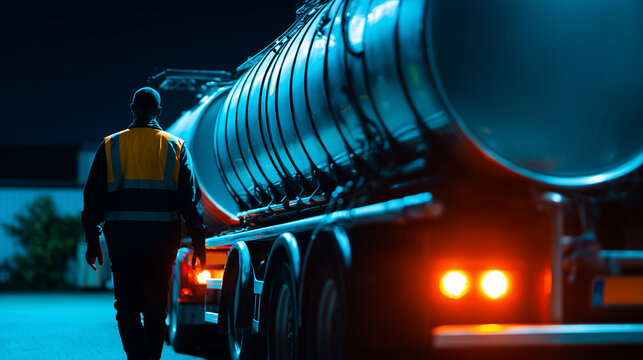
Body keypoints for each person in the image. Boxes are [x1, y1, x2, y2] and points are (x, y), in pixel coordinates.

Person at [82, 87, 207, 360]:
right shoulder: (175, 147)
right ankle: (149, 357)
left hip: (123, 241)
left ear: (132, 108)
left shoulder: (111, 145)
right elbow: (190, 201)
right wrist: (199, 242)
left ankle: (136, 357)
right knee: (156, 307)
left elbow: (93, 198)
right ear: (159, 111)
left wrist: (93, 239)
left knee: (126, 306)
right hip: (162, 243)